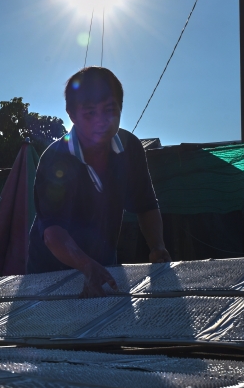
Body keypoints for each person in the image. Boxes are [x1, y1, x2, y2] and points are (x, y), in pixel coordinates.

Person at [27, 66, 171, 296]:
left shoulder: (130, 148)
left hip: (105, 264)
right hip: (50, 272)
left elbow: (146, 205)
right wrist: (86, 266)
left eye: (110, 110)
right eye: (90, 113)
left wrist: (157, 247)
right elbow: (53, 233)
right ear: (72, 115)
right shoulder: (55, 159)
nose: (101, 121)